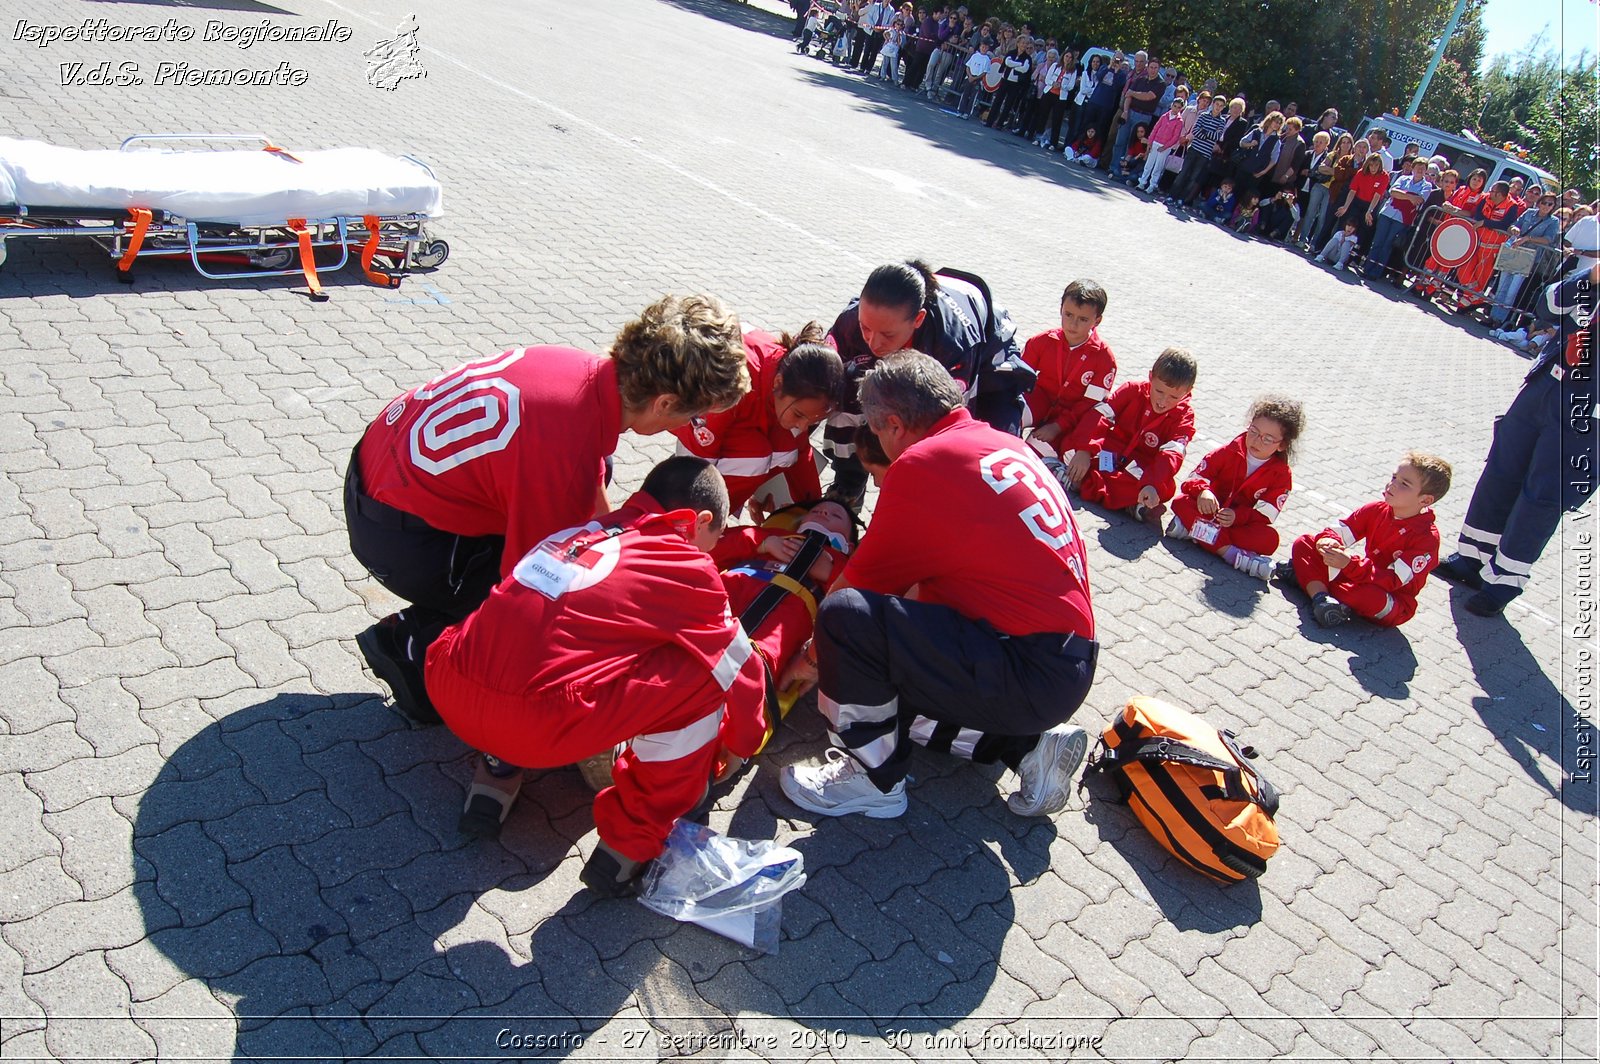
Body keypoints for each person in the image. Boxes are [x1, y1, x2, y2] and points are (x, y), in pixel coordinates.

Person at [346, 295, 749, 724]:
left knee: (597, 478)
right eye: (695, 414)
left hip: (380, 476)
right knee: (543, 597)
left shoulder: (580, 371)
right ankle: (410, 644)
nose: (688, 426)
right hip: (397, 536)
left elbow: (585, 476)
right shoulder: (563, 447)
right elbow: (530, 586)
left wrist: (610, 542)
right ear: (665, 402)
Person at [424, 456, 767, 894]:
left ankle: (497, 770)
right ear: (701, 521)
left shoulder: (579, 532)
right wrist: (742, 742)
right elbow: (741, 667)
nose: (711, 553)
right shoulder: (686, 564)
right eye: (714, 539)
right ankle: (629, 843)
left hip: (451, 682)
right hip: (534, 724)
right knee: (706, 673)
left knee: (512, 633)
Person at [779, 352, 1097, 820]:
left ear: (892, 425)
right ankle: (1028, 748)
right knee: (878, 690)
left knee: (844, 621)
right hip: (1060, 662)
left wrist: (811, 661)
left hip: (1025, 665)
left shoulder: (924, 462)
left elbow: (854, 591)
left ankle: (876, 781)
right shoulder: (998, 442)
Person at [1435, 218, 1599, 616]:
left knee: (1544, 493)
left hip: (1587, 409)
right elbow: (1548, 305)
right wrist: (1591, 278)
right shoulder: (1594, 280)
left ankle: (1504, 580)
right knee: (1503, 467)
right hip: (1546, 385)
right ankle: (1472, 556)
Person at [821, 260, 1034, 504]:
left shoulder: (954, 344)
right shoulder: (855, 319)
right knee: (845, 390)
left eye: (887, 334)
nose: (873, 342)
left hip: (990, 364)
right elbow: (818, 377)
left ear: (918, 319)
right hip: (919, 348)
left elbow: (952, 426)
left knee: (986, 459)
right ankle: (849, 481)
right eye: (865, 328)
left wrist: (906, 475)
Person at [671, 325, 843, 519]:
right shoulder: (731, 384)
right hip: (699, 430)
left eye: (813, 421)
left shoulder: (797, 377)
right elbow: (696, 464)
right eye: (799, 415)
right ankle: (708, 523)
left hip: (739, 419)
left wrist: (813, 509)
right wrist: (695, 521)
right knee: (755, 454)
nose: (803, 426)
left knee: (788, 449)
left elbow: (802, 455)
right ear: (777, 383)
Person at [1277, 453, 1450, 628]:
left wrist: (1349, 564)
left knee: (1366, 596)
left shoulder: (1427, 539)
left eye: (1404, 484)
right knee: (1305, 542)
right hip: (1360, 577)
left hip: (1389, 597)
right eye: (1394, 477)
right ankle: (1322, 600)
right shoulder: (1377, 509)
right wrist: (1328, 541)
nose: (1393, 485)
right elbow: (1341, 530)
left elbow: (1393, 580)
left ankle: (1308, 581)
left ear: (1425, 500)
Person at [1168, 396, 1305, 579]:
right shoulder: (1229, 451)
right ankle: (1231, 554)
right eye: (1254, 431)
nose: (1257, 440)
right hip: (1210, 512)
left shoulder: (1281, 475)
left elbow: (1265, 515)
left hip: (1237, 525)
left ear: (1282, 445)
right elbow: (1194, 478)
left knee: (1270, 539)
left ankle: (1196, 532)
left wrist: (1237, 517)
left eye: (1267, 439)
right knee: (1181, 502)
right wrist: (1203, 491)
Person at [1076, 346, 1199, 526]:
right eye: (1159, 391)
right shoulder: (1132, 390)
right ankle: (1132, 505)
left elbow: (1171, 456)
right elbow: (1099, 416)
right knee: (1072, 444)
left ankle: (1083, 483)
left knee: (1165, 488)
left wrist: (1152, 484)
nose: (1163, 401)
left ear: (1188, 392)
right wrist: (1084, 451)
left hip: (1142, 470)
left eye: (1173, 397)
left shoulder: (1184, 416)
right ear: (1150, 377)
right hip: (1110, 453)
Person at [1020, 280, 1117, 486]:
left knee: (1028, 457)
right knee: (1006, 417)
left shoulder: (1104, 359)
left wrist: (1057, 426)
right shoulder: (1042, 341)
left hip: (1069, 420)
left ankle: (1056, 470)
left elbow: (1089, 405)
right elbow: (1018, 380)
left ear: (1097, 321)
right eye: (1068, 315)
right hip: (1040, 400)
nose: (1073, 324)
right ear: (1061, 309)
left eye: (1083, 319)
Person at [1362, 155, 1434, 282]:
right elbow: (1392, 192)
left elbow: (1420, 200)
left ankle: (1376, 272)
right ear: (1413, 168)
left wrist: (1403, 196)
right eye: (1418, 167)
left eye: (1423, 168)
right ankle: (1367, 269)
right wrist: (1410, 197)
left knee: (1387, 245)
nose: (1420, 170)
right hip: (1387, 213)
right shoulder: (1403, 178)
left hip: (1403, 219)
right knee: (1377, 242)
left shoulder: (1427, 185)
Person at [1138, 96, 1186, 194]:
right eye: (1174, 106)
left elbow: (1175, 137)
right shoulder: (1164, 116)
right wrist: (1150, 142)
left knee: (1158, 167)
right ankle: (1142, 182)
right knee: (1149, 164)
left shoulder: (1179, 121)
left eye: (1178, 107)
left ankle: (1152, 185)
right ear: (1171, 105)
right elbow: (1155, 128)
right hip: (1156, 142)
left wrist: (1165, 146)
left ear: (1181, 109)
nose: (1175, 109)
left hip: (1165, 147)